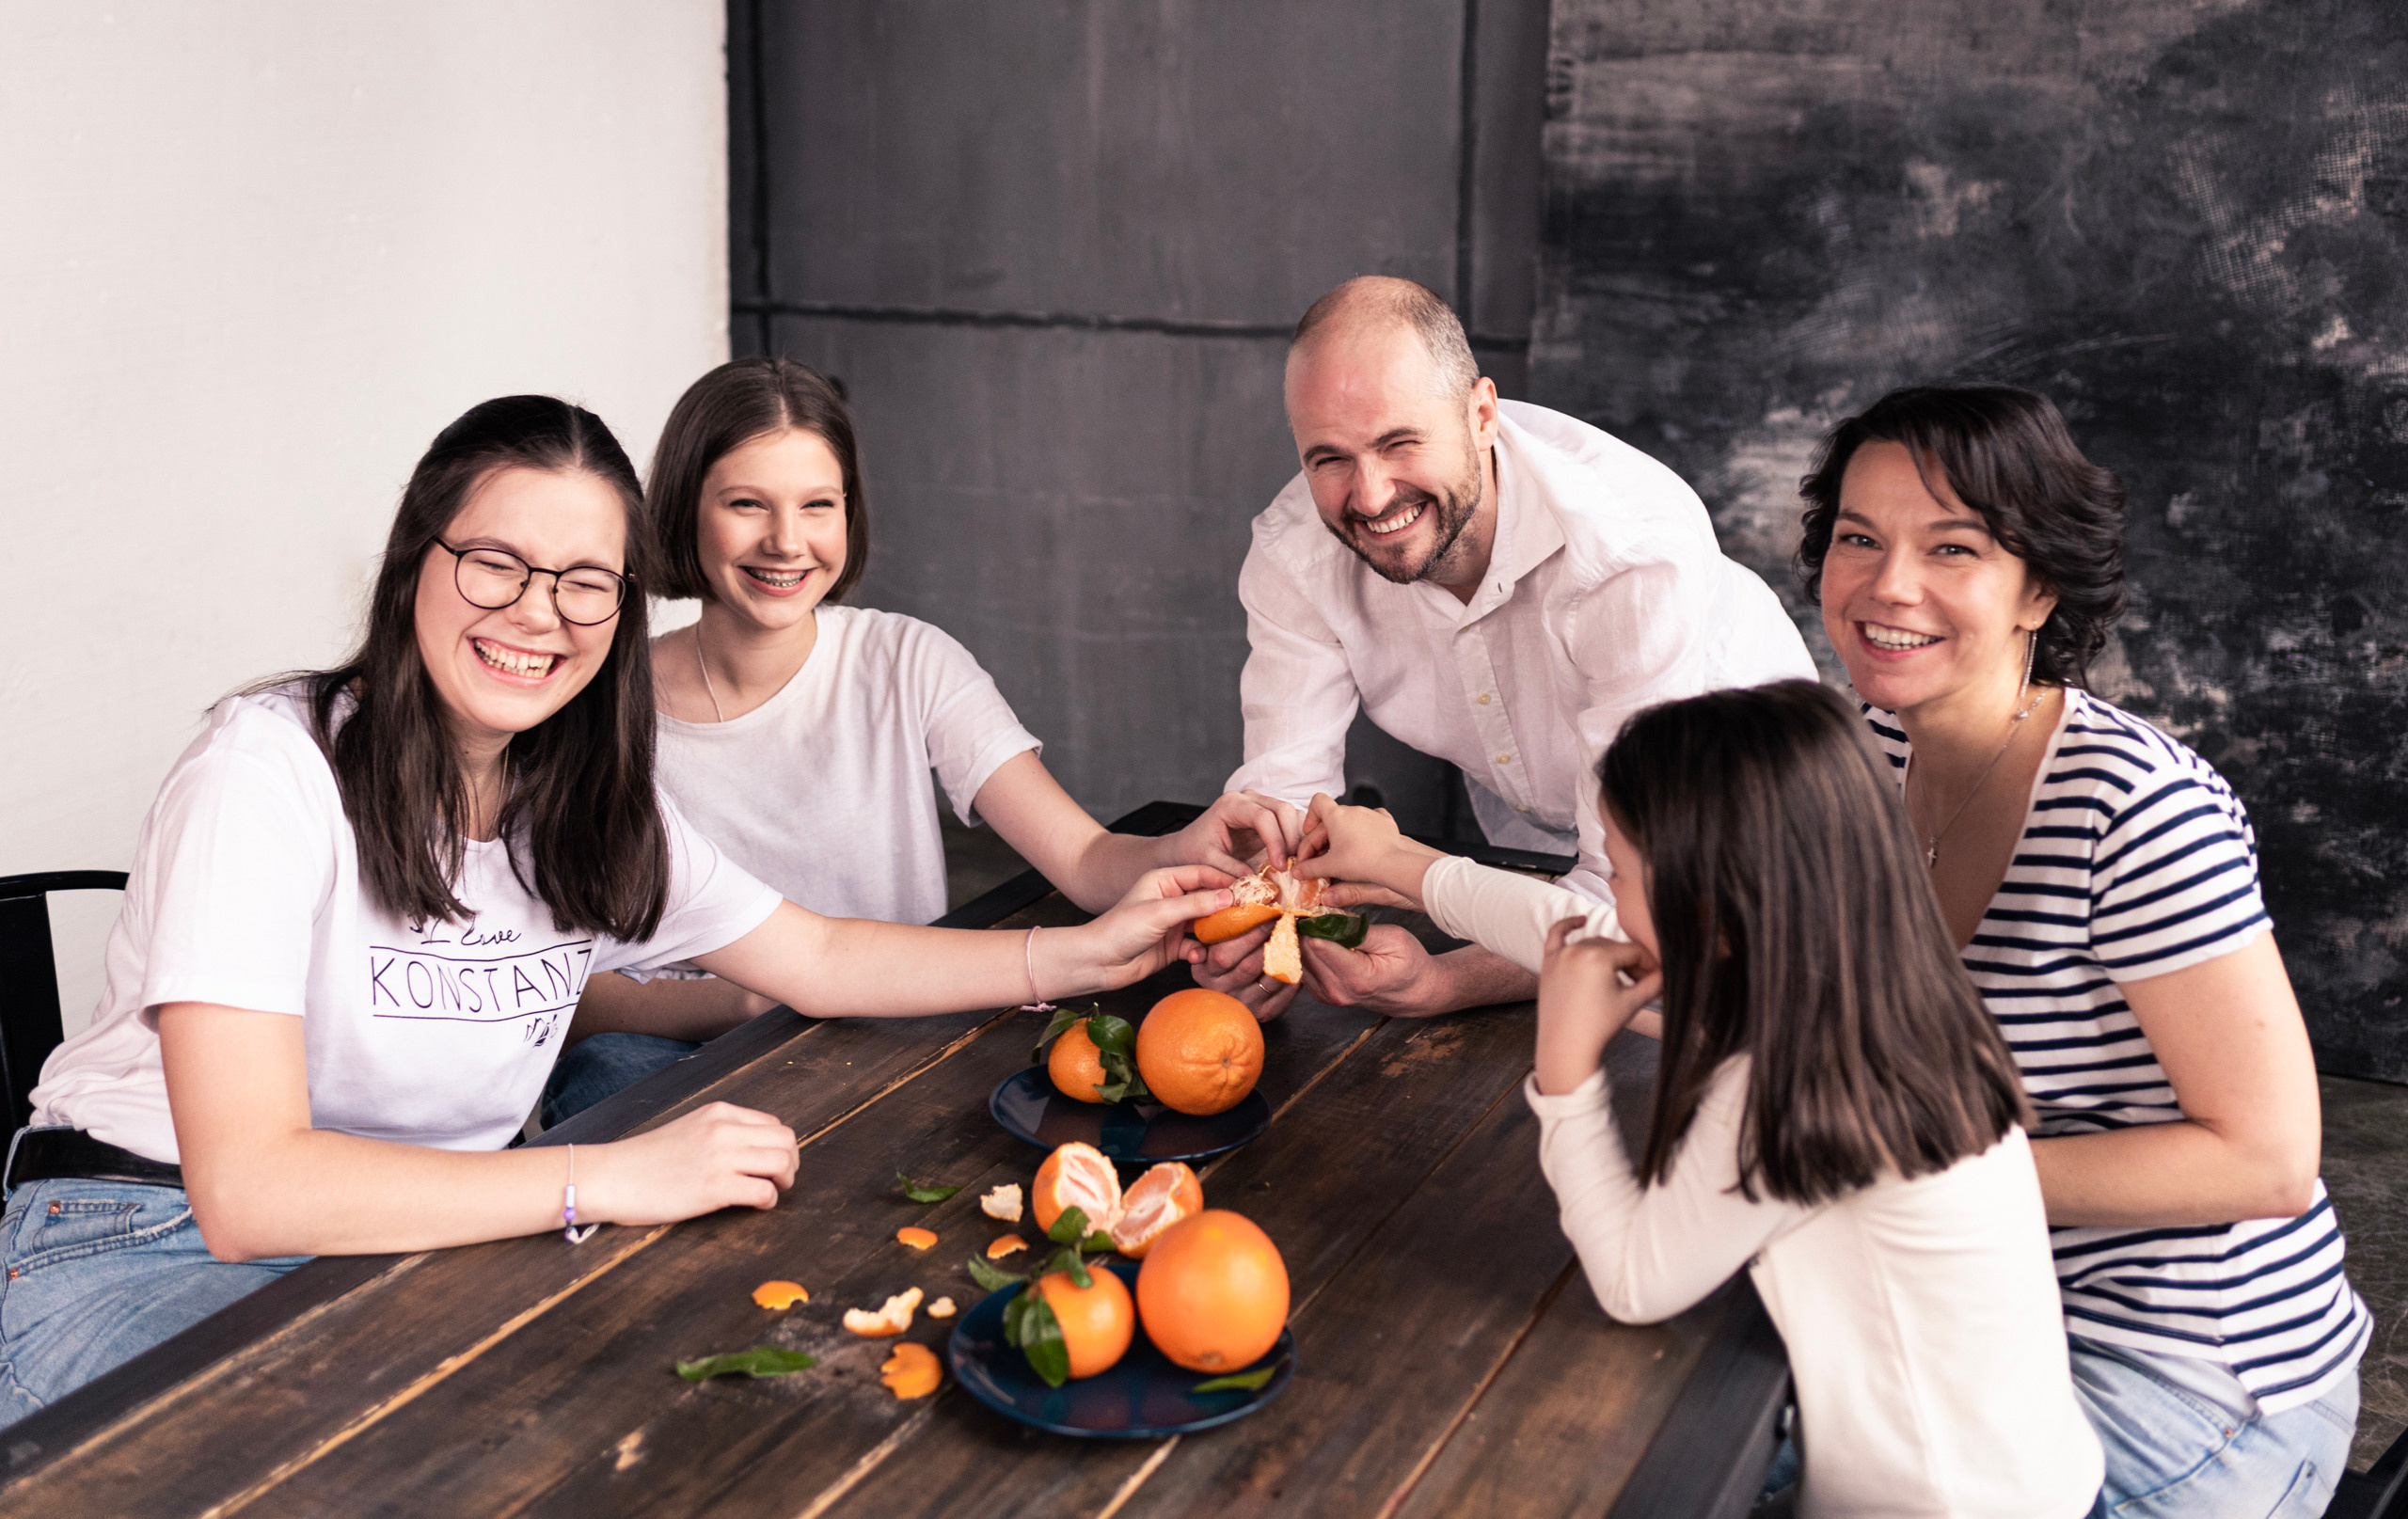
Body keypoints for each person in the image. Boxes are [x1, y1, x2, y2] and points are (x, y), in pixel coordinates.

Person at [0, 396, 1232, 1425]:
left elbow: (815, 952)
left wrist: (1083, 951)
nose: (540, 612)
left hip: (423, 1234)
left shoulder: (582, 801)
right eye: (497, 562)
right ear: (413, 559)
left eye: (587, 581)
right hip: (140, 1227)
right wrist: (600, 1174)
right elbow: (252, 1186)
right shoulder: (266, 769)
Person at [1301, 681, 2104, 1517]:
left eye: (1618, 871)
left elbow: (1633, 1280)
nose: (1606, 897)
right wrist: (1398, 865)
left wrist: (1568, 1072)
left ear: (1710, 901)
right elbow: (1568, 931)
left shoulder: (1787, 1082)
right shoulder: (1871, 995)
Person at [1801, 385, 2367, 1517]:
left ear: (2039, 587)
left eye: (1949, 547)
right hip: (1980, 1311)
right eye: (1857, 538)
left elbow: (2265, 1160)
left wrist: (1907, 1185)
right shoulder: (1860, 748)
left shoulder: (2133, 806)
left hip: (2193, 1377)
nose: (1885, 585)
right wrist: (1465, 947)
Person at [543, 359, 1297, 1121]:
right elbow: (561, 1001)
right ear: (683, 510)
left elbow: (1086, 859)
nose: (786, 540)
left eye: (817, 504)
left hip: (885, 1020)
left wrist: (1180, 849)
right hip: (665, 1052)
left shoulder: (908, 660)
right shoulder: (596, 701)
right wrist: (739, 1000)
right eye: (746, 503)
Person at [1200, 275, 1815, 1023]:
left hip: (1751, 860)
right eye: (1328, 458)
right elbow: (1282, 802)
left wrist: (1445, 983)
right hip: (1534, 857)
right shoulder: (1297, 552)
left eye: (1399, 443)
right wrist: (1257, 915)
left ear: (1481, 413)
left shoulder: (1629, 555)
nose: (1367, 496)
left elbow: (1634, 919)